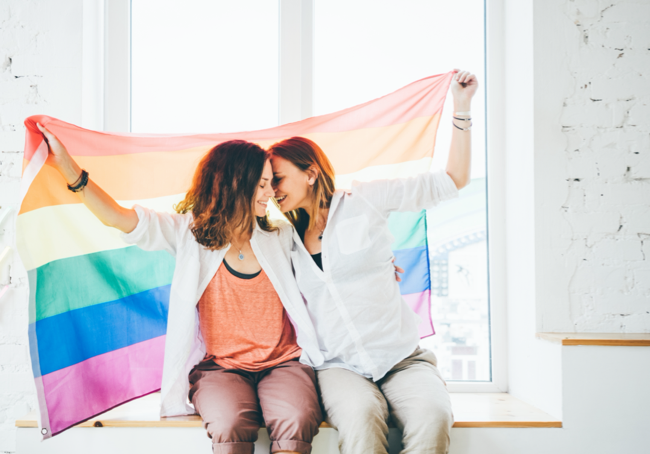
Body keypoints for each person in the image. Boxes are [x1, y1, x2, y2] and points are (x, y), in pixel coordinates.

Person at [36, 123, 324, 454]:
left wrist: (371, 267)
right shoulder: (188, 234)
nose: (270, 193)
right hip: (221, 368)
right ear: (235, 186)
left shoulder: (281, 236)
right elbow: (119, 217)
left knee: (296, 418)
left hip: (283, 363)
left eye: (270, 183)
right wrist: (71, 171)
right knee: (228, 424)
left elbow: (322, 273)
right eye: (261, 185)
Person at [268, 69, 478, 454]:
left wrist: (461, 107)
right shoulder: (280, 240)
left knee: (433, 419)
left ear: (311, 173)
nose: (272, 191)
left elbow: (453, 179)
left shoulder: (365, 200)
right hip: (338, 367)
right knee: (363, 420)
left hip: (402, 359)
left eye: (278, 179)